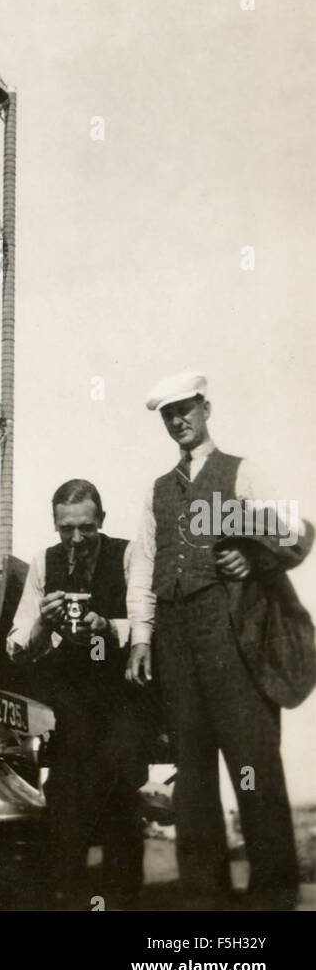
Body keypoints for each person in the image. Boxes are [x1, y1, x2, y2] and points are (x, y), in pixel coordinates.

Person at [126, 370, 313, 911]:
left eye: (186, 409)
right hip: (176, 643)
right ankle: (203, 898)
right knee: (194, 775)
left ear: (205, 408)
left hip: (233, 637)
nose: (178, 421)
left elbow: (295, 532)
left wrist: (253, 554)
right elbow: (143, 568)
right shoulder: (159, 490)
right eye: (168, 415)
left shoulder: (241, 473)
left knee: (253, 765)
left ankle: (274, 896)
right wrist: (141, 640)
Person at [7, 478, 151, 909]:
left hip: (116, 687)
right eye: (66, 529)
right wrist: (41, 626)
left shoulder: (127, 554)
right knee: (68, 786)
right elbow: (16, 646)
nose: (75, 539)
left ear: (101, 521)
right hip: (66, 691)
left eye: (85, 528)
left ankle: (121, 897)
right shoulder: (42, 562)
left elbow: (147, 620)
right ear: (55, 525)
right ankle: (67, 895)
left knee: (122, 779)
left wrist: (107, 627)